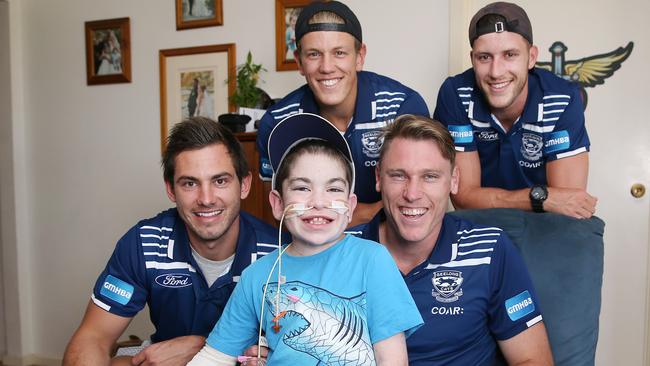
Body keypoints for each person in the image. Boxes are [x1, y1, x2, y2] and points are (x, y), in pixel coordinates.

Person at [189, 113, 423, 365]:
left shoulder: (372, 260)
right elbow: (214, 357)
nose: (318, 202)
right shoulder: (257, 276)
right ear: (278, 204)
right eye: (302, 188)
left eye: (333, 189)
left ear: (350, 206)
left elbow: (393, 359)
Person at [63, 117, 279, 366]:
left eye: (220, 181)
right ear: (170, 189)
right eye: (189, 183)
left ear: (244, 184)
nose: (206, 199)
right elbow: (93, 338)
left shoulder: (278, 252)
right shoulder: (144, 243)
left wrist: (201, 347)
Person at [350, 114, 553, 365]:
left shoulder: (490, 250)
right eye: (399, 175)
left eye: (430, 176)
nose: (412, 194)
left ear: (453, 180)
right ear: (379, 178)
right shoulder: (341, 253)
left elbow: (533, 359)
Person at [256, 1, 430, 227]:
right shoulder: (277, 122)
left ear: (359, 56)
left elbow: (414, 199)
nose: (327, 67)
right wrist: (371, 211)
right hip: (313, 246)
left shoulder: (402, 106)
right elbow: (278, 213)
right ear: (299, 61)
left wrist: (329, 217)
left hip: (388, 239)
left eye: (339, 53)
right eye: (314, 54)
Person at [433, 1, 597, 220]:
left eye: (510, 55)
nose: (496, 71)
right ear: (473, 59)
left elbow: (568, 206)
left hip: (545, 228)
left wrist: (544, 201)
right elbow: (464, 199)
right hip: (481, 226)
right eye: (484, 57)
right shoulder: (456, 93)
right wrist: (540, 198)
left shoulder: (562, 98)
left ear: (531, 57)